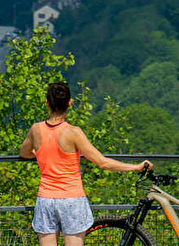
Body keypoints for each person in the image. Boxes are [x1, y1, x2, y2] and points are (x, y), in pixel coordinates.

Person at [21, 79, 150, 246]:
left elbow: (24, 152)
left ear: (47, 103)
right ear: (70, 103)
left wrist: (41, 154)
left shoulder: (35, 130)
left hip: (46, 198)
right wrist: (136, 166)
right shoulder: (73, 133)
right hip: (72, 199)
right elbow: (102, 162)